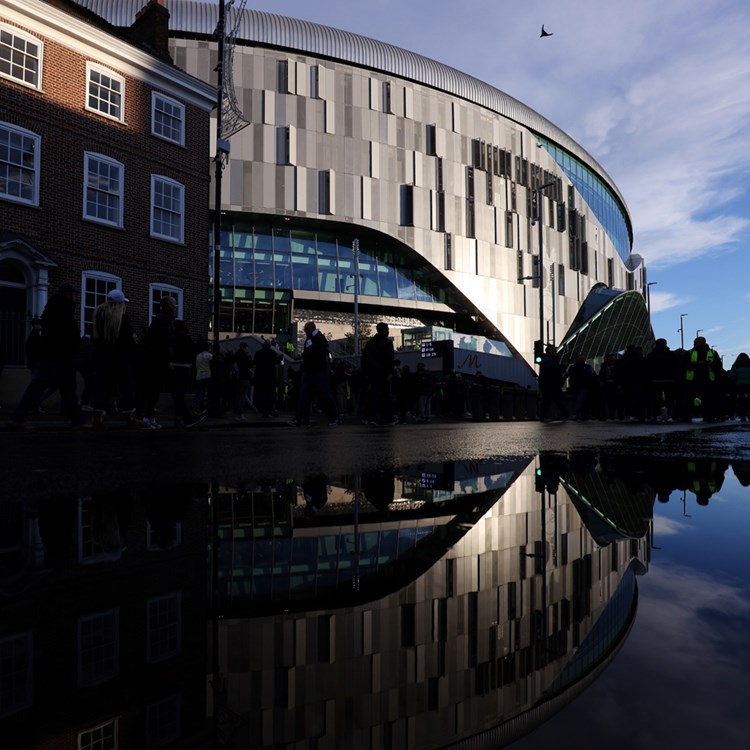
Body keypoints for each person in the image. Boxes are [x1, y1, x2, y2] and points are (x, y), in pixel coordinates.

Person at [8, 282, 89, 430]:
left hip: (48, 356)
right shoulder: (63, 310)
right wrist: (77, 343)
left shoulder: (52, 308)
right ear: (68, 294)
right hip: (60, 357)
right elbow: (66, 335)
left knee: (36, 388)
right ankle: (78, 421)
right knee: (68, 390)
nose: (77, 297)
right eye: (75, 294)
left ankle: (17, 417)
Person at [90, 289, 145, 428]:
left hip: (103, 359)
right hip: (121, 360)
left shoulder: (99, 317)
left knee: (102, 387)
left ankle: (98, 418)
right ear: (119, 304)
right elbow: (127, 342)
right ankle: (130, 417)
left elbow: (95, 340)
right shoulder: (123, 319)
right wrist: (133, 342)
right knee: (126, 388)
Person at [137, 295, 192, 429]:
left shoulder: (161, 319)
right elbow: (165, 343)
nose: (176, 306)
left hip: (156, 361)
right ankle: (187, 419)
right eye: (174, 304)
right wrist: (168, 360)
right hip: (161, 362)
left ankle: (147, 417)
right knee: (176, 390)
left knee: (152, 391)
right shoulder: (165, 320)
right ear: (168, 306)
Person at [289, 321, 340, 426]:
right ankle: (333, 418)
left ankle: (300, 419)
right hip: (315, 371)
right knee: (313, 396)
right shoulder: (316, 338)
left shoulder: (316, 338)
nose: (305, 331)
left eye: (306, 329)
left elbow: (314, 353)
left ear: (311, 328)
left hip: (315, 372)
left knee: (312, 396)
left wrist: (306, 358)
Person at [361, 322, 396, 425]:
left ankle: (372, 417)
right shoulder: (387, 343)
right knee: (385, 396)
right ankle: (387, 418)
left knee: (373, 395)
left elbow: (364, 360)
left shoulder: (370, 343)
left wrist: (366, 373)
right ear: (384, 330)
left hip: (372, 374)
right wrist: (390, 372)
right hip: (384, 374)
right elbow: (390, 359)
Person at [537, 344, 568, 422]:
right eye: (553, 350)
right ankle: (564, 415)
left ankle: (544, 416)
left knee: (550, 400)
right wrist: (562, 367)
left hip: (551, 384)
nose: (555, 351)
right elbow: (555, 369)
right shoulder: (548, 360)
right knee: (553, 400)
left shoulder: (549, 360)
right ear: (549, 351)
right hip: (550, 384)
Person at [253, 339, 282, 417]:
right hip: (270, 377)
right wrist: (280, 357)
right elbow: (277, 361)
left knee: (261, 394)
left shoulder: (258, 353)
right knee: (270, 395)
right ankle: (269, 410)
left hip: (260, 377)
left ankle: (262, 409)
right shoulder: (272, 353)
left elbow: (254, 362)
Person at [232, 341, 253, 420]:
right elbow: (251, 364)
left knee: (238, 396)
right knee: (243, 396)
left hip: (237, 377)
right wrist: (249, 355)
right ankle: (240, 414)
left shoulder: (236, 355)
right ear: (244, 347)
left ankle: (237, 413)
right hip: (244, 377)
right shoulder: (245, 355)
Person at [193, 339, 212, 414]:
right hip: (207, 375)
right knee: (207, 392)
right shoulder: (210, 356)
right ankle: (203, 407)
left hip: (199, 375)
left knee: (199, 392)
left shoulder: (198, 356)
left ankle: (195, 405)